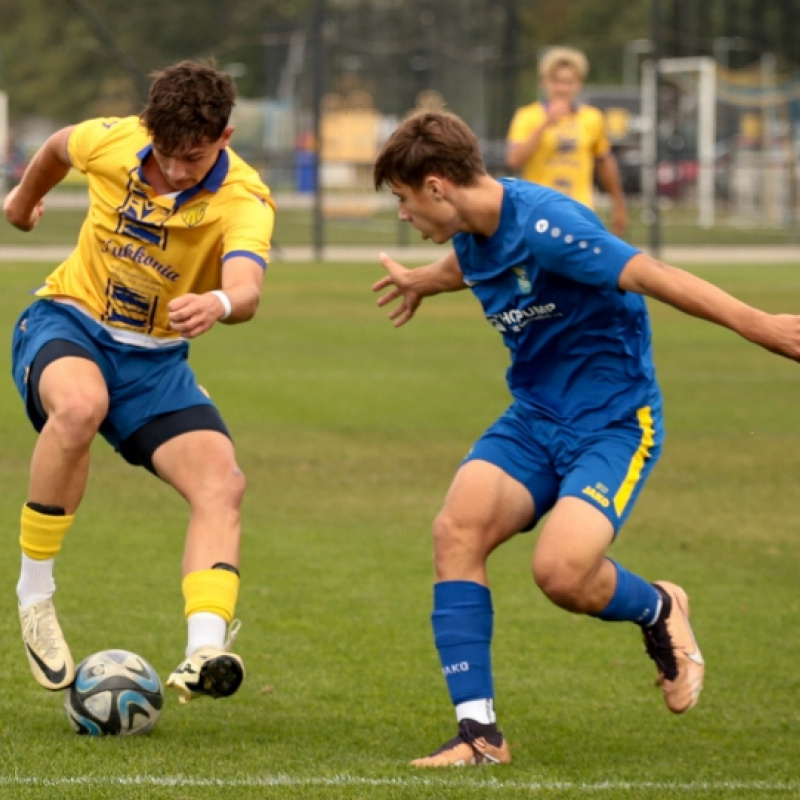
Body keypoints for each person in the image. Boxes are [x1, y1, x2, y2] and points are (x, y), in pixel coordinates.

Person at [372, 110, 800, 767]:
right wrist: (420, 282)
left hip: (612, 421)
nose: (402, 215)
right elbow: (470, 265)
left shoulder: (551, 225)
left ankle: (658, 606)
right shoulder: (472, 232)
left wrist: (759, 324)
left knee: (562, 574)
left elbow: (654, 274)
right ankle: (480, 736)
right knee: (455, 530)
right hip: (534, 416)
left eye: (402, 199)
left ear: (436, 187)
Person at [3, 60, 275, 703]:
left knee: (222, 481)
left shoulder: (243, 197)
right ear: (147, 127)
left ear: (226, 137)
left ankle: (204, 648)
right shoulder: (115, 139)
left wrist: (221, 304)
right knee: (80, 406)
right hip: (67, 321)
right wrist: (20, 202)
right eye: (167, 152)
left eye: (197, 155)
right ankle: (35, 594)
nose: (179, 169)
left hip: (153, 362)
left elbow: (248, 286)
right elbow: (56, 145)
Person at [505, 46, 628, 236]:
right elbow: (514, 159)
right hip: (539, 211)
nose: (562, 88)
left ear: (579, 84)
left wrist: (618, 204)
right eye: (557, 81)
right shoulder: (527, 116)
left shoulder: (592, 117)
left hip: (579, 211)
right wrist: (546, 123)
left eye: (569, 82)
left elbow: (605, 161)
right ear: (544, 83)